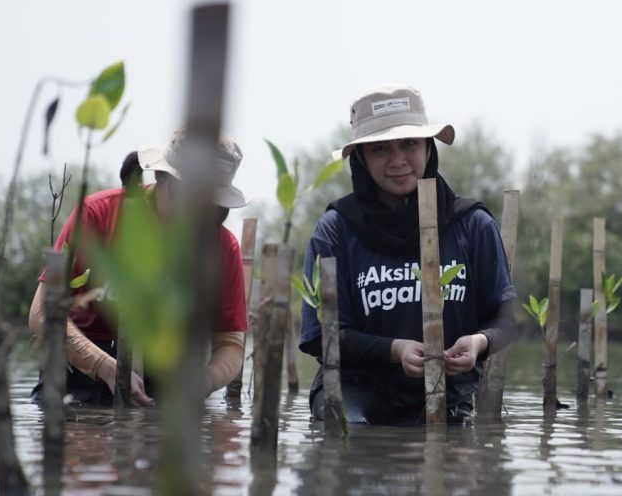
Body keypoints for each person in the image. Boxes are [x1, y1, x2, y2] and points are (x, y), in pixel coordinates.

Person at [298, 84, 517, 425]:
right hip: (356, 388)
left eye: (410, 144)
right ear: (361, 158)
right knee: (350, 434)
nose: (398, 160)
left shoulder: (473, 224)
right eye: (380, 148)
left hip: (450, 394)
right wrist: (394, 349)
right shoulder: (336, 229)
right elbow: (319, 335)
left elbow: (505, 321)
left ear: (428, 147)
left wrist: (479, 342)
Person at [28, 131, 250, 406]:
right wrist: (105, 368)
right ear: (161, 176)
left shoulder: (221, 247)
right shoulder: (97, 214)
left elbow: (230, 344)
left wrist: (204, 381)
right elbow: (41, 312)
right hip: (79, 374)